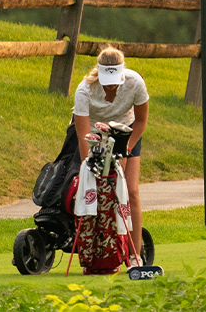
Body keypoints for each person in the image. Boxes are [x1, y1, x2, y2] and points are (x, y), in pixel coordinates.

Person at [71, 46, 150, 265]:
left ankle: (135, 256)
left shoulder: (135, 83)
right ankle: (94, 246)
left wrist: (124, 151)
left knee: (131, 190)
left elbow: (141, 121)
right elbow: (83, 134)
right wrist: (90, 165)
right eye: (107, 78)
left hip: (126, 131)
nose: (111, 84)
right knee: (90, 188)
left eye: (115, 78)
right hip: (93, 134)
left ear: (122, 71)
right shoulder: (84, 89)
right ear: (99, 71)